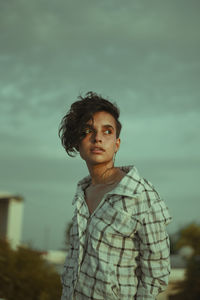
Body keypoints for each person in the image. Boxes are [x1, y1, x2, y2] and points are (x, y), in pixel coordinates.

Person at [59, 91, 172, 300]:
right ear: (78, 144)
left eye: (107, 131)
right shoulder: (82, 193)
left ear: (117, 144)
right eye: (87, 130)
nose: (98, 138)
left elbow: (156, 273)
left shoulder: (140, 194)